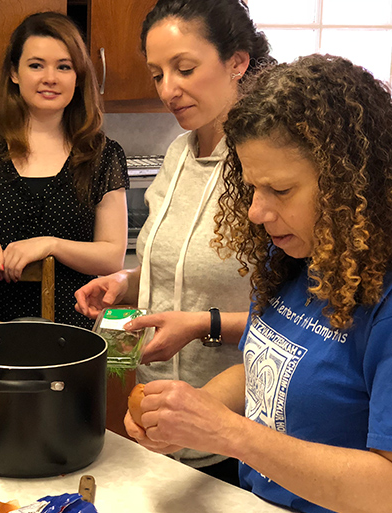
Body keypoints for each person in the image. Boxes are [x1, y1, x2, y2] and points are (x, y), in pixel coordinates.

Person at [126, 54, 392, 513]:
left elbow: (385, 487)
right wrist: (190, 413)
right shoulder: (295, 257)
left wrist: (228, 434)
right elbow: (262, 367)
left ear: (349, 184)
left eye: (281, 190)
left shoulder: (382, 303)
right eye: (251, 187)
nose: (256, 211)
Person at [74, 0, 274, 481]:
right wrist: (126, 281)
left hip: (236, 433)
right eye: (157, 73)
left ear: (237, 62)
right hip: (158, 422)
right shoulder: (178, 154)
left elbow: (299, 320)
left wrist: (203, 324)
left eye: (184, 68)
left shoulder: (268, 167)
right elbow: (180, 265)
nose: (168, 90)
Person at [0, 11, 128, 329]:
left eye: (63, 66)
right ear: (14, 73)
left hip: (71, 334)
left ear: (78, 76)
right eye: (36, 65)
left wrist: (50, 244)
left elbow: (112, 255)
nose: (50, 78)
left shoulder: (102, 155)